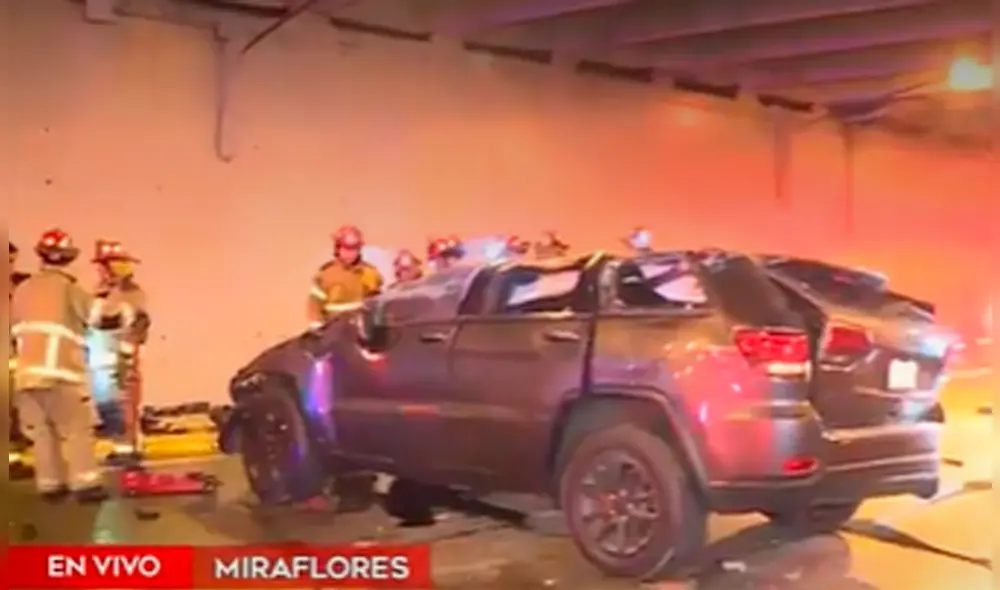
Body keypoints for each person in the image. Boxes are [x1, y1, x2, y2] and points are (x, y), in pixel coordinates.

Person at [9, 229, 106, 502]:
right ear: (68, 258)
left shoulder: (22, 290)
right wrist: (130, 314)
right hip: (61, 376)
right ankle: (86, 485)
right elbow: (101, 317)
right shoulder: (67, 288)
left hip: (26, 377)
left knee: (42, 433)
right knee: (77, 429)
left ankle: (50, 485)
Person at [89, 239, 150, 459]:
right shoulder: (99, 294)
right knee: (109, 407)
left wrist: (127, 356)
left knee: (124, 405)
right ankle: (121, 445)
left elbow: (138, 325)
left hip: (120, 361)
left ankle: (128, 448)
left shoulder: (131, 293)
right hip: (101, 363)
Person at [307, 225, 383, 330]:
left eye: (354, 248)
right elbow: (315, 305)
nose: (350, 253)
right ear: (338, 248)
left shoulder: (370, 273)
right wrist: (317, 329)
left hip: (360, 332)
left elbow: (377, 305)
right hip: (333, 331)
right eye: (346, 248)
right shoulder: (325, 275)